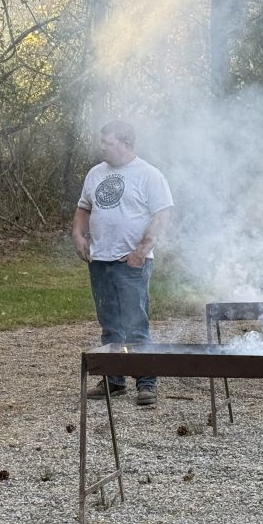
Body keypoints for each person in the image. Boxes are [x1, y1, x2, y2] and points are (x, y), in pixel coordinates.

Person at [72, 120, 174, 406]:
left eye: (108, 142)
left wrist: (141, 251)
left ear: (127, 144)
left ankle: (146, 382)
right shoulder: (95, 173)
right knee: (109, 322)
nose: (101, 146)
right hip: (100, 259)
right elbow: (83, 208)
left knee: (135, 322)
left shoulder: (149, 174)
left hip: (131, 261)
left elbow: (161, 216)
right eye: (101, 141)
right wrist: (78, 235)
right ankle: (114, 380)